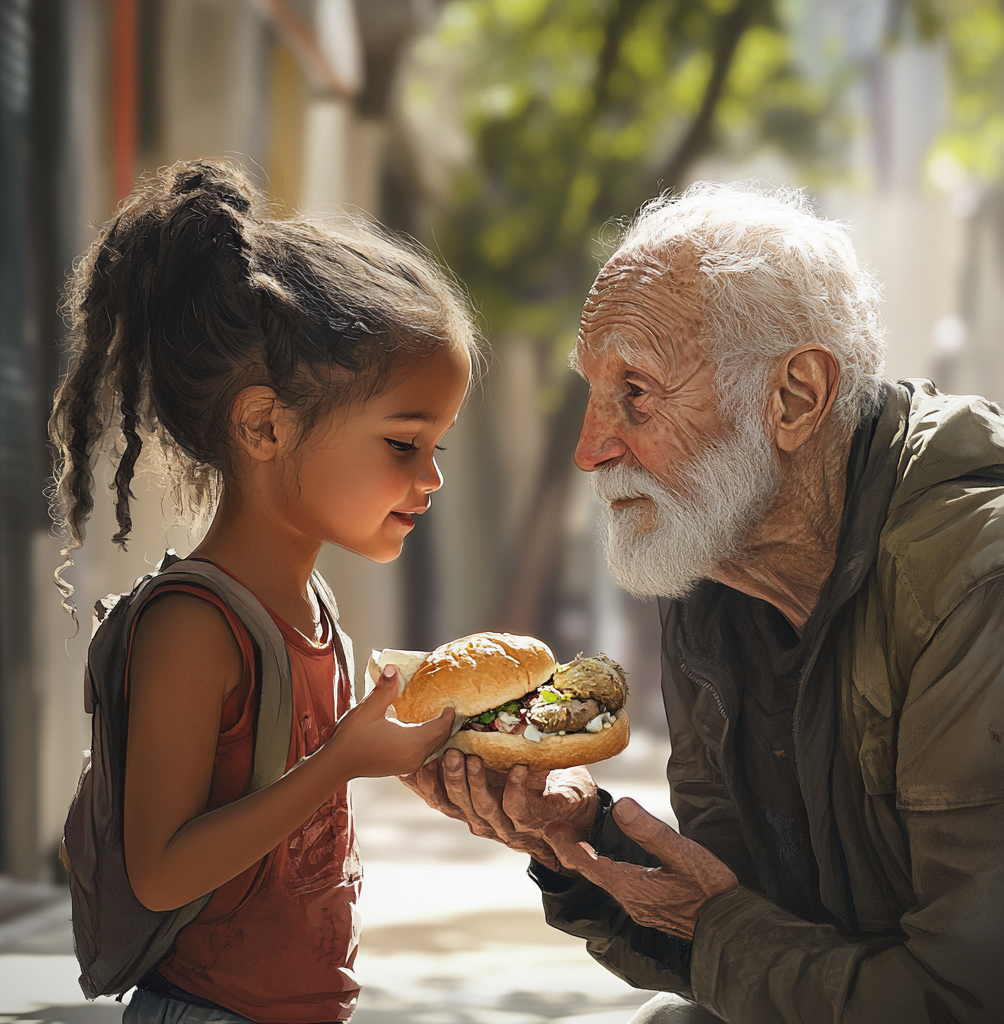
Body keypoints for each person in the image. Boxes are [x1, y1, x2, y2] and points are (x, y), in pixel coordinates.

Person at [404, 182, 1004, 1023]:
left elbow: (965, 999)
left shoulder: (975, 583)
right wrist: (582, 835)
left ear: (795, 397)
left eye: (637, 392)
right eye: (591, 389)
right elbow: (749, 924)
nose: (589, 448)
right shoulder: (715, 566)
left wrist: (715, 927)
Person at [49, 159, 478, 1023]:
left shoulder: (315, 613)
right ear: (265, 425)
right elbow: (161, 868)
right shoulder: (195, 627)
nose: (431, 478)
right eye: (403, 443)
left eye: (439, 445)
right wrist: (342, 763)